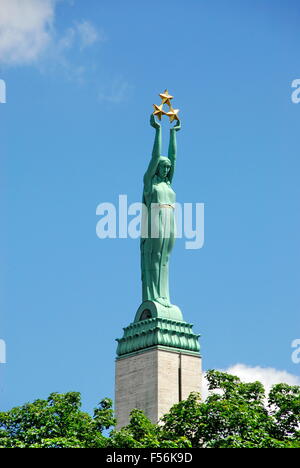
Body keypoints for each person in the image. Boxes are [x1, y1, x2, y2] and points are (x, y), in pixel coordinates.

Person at [140, 114, 181, 307]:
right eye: (163, 167)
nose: (166, 169)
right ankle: (153, 295)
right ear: (157, 168)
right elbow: (156, 156)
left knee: (166, 259)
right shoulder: (151, 183)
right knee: (155, 257)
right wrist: (159, 131)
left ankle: (164, 296)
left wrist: (174, 134)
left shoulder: (168, 183)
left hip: (170, 219)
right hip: (155, 219)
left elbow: (174, 157)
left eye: (168, 168)